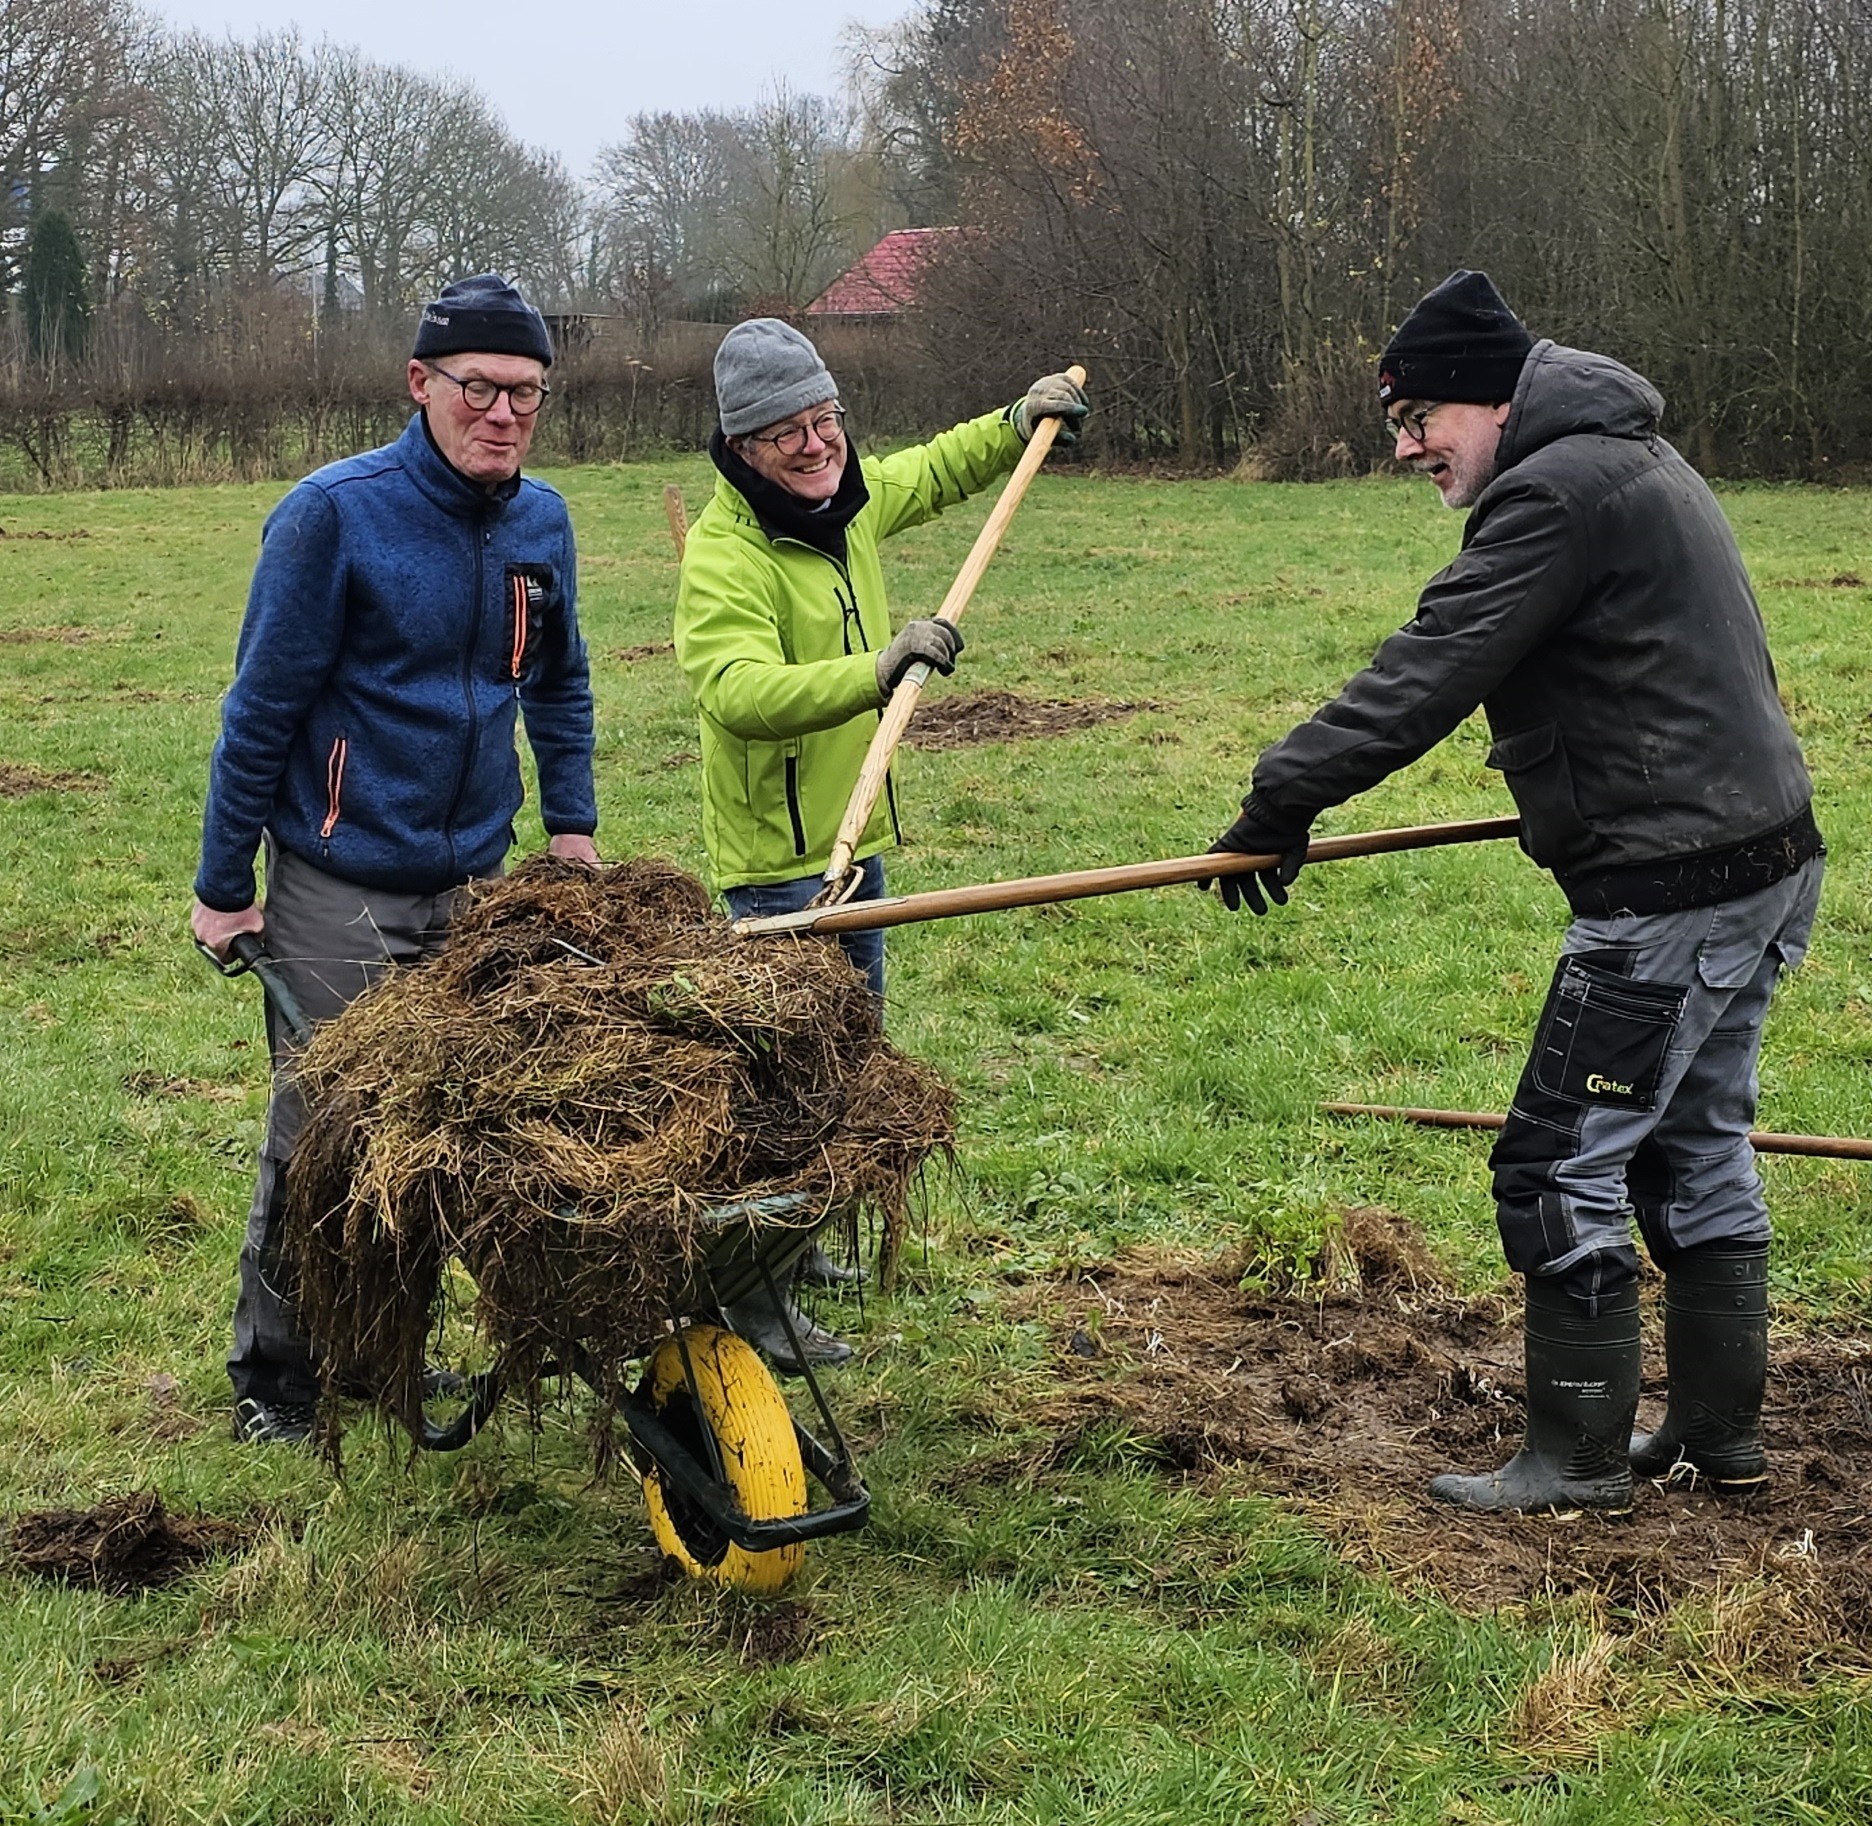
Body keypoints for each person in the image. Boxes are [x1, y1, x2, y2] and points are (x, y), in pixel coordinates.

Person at [1203, 270, 1822, 1514]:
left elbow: (1432, 666)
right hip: (1759, 863)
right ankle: (1718, 1432)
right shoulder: (1629, 461)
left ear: (1492, 398)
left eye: (1420, 414)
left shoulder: (1556, 490)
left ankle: (1576, 1457)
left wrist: (1284, 794)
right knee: (1693, 1143)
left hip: (1672, 891)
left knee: (1555, 1163)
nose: (1405, 445)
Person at [192, 273, 600, 1445]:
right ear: (420, 384)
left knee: (453, 1123)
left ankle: (382, 1344)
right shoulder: (336, 514)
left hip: (476, 877)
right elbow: (260, 709)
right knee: (322, 1130)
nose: (504, 412)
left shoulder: (541, 521)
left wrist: (568, 826)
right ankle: (277, 1371)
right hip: (341, 881)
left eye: (527, 392)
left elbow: (559, 683)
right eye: (479, 387)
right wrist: (227, 888)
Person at [675, 317, 1088, 1368]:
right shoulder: (727, 554)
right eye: (787, 435)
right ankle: (753, 1300)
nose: (817, 446)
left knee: (850, 1060)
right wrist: (877, 668)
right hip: (780, 868)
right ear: (741, 449)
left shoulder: (846, 502)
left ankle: (803, 1243)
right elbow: (737, 691)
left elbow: (935, 471)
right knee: (782, 1090)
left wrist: (1016, 420)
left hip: (856, 846)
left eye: (826, 422)